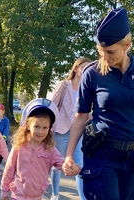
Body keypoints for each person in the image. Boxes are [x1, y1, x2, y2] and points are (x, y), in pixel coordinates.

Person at [62, 8, 134, 200]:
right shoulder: (92, 73)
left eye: (110, 51)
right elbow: (81, 115)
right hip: (101, 154)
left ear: (127, 44)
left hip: (131, 156)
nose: (105, 56)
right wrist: (69, 154)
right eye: (101, 51)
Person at [0, 98, 80, 200]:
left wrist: (71, 168)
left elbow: (62, 164)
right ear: (28, 126)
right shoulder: (19, 146)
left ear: (49, 128)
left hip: (37, 196)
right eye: (37, 126)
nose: (40, 131)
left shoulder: (50, 149)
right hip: (18, 195)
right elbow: (9, 169)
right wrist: (4, 191)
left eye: (44, 128)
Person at [50, 57, 91, 200]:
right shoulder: (63, 85)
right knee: (59, 165)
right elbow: (53, 106)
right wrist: (48, 129)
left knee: (79, 166)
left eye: (88, 68)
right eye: (83, 68)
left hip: (79, 132)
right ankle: (55, 194)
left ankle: (83, 197)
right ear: (76, 68)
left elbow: (87, 112)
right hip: (61, 130)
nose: (86, 71)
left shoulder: (88, 88)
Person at [0, 103, 10, 176]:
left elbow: (6, 130)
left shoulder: (6, 121)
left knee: (1, 154)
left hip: (3, 140)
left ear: (3, 111)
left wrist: (3, 138)